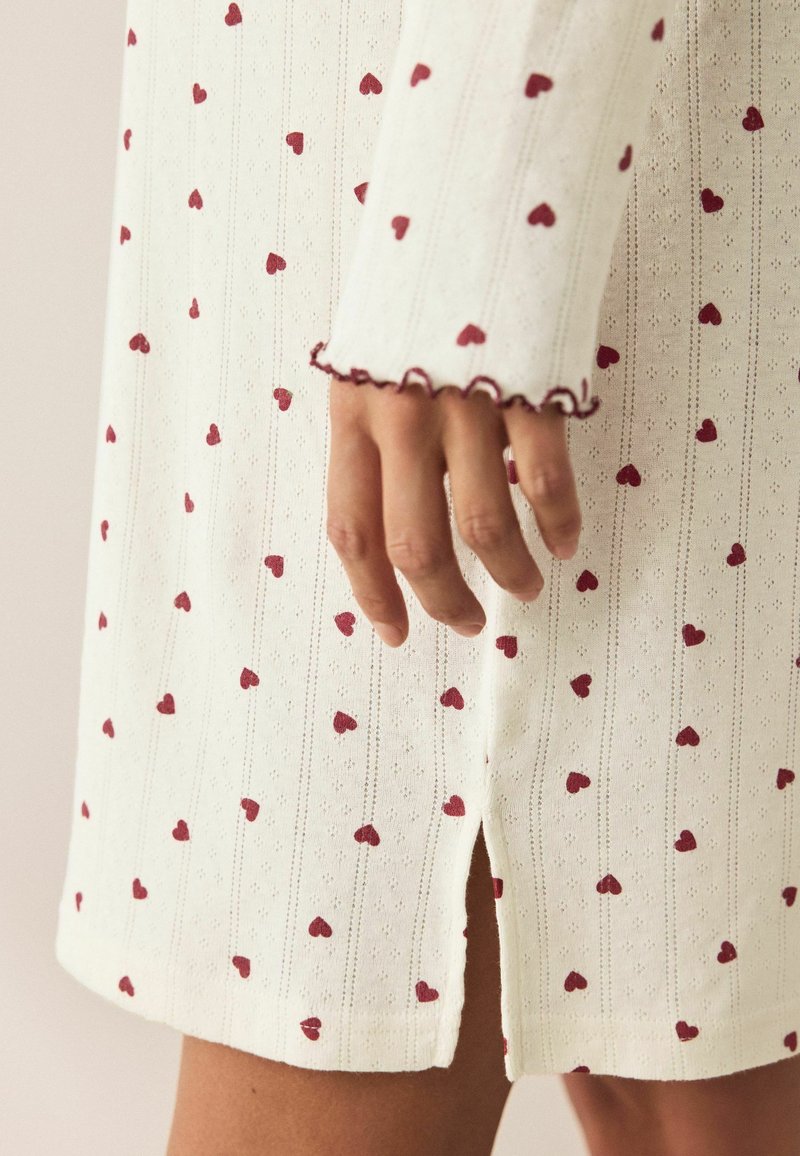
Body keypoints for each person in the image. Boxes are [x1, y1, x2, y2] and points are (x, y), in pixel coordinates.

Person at [55, 1, 800, 1153]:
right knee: (697, 1054)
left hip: (479, 194)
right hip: (315, 159)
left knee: (407, 985)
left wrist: (476, 212)